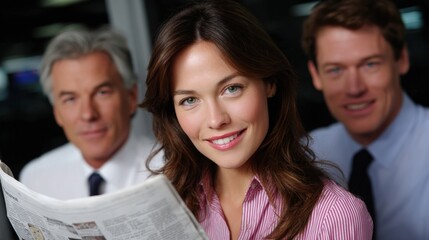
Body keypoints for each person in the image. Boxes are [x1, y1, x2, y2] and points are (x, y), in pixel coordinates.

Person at [141, 0, 373, 239]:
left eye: (231, 88)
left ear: (270, 83)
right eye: (189, 100)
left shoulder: (335, 217)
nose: (215, 120)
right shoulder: (162, 210)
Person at [302, 0, 429, 239]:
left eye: (370, 64)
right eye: (335, 70)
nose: (354, 89)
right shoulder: (306, 155)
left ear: (401, 59)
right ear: (315, 75)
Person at [19, 28, 162, 200]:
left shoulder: (174, 172)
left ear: (131, 97)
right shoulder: (35, 180)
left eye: (102, 93)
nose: (88, 114)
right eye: (70, 99)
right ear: (56, 111)